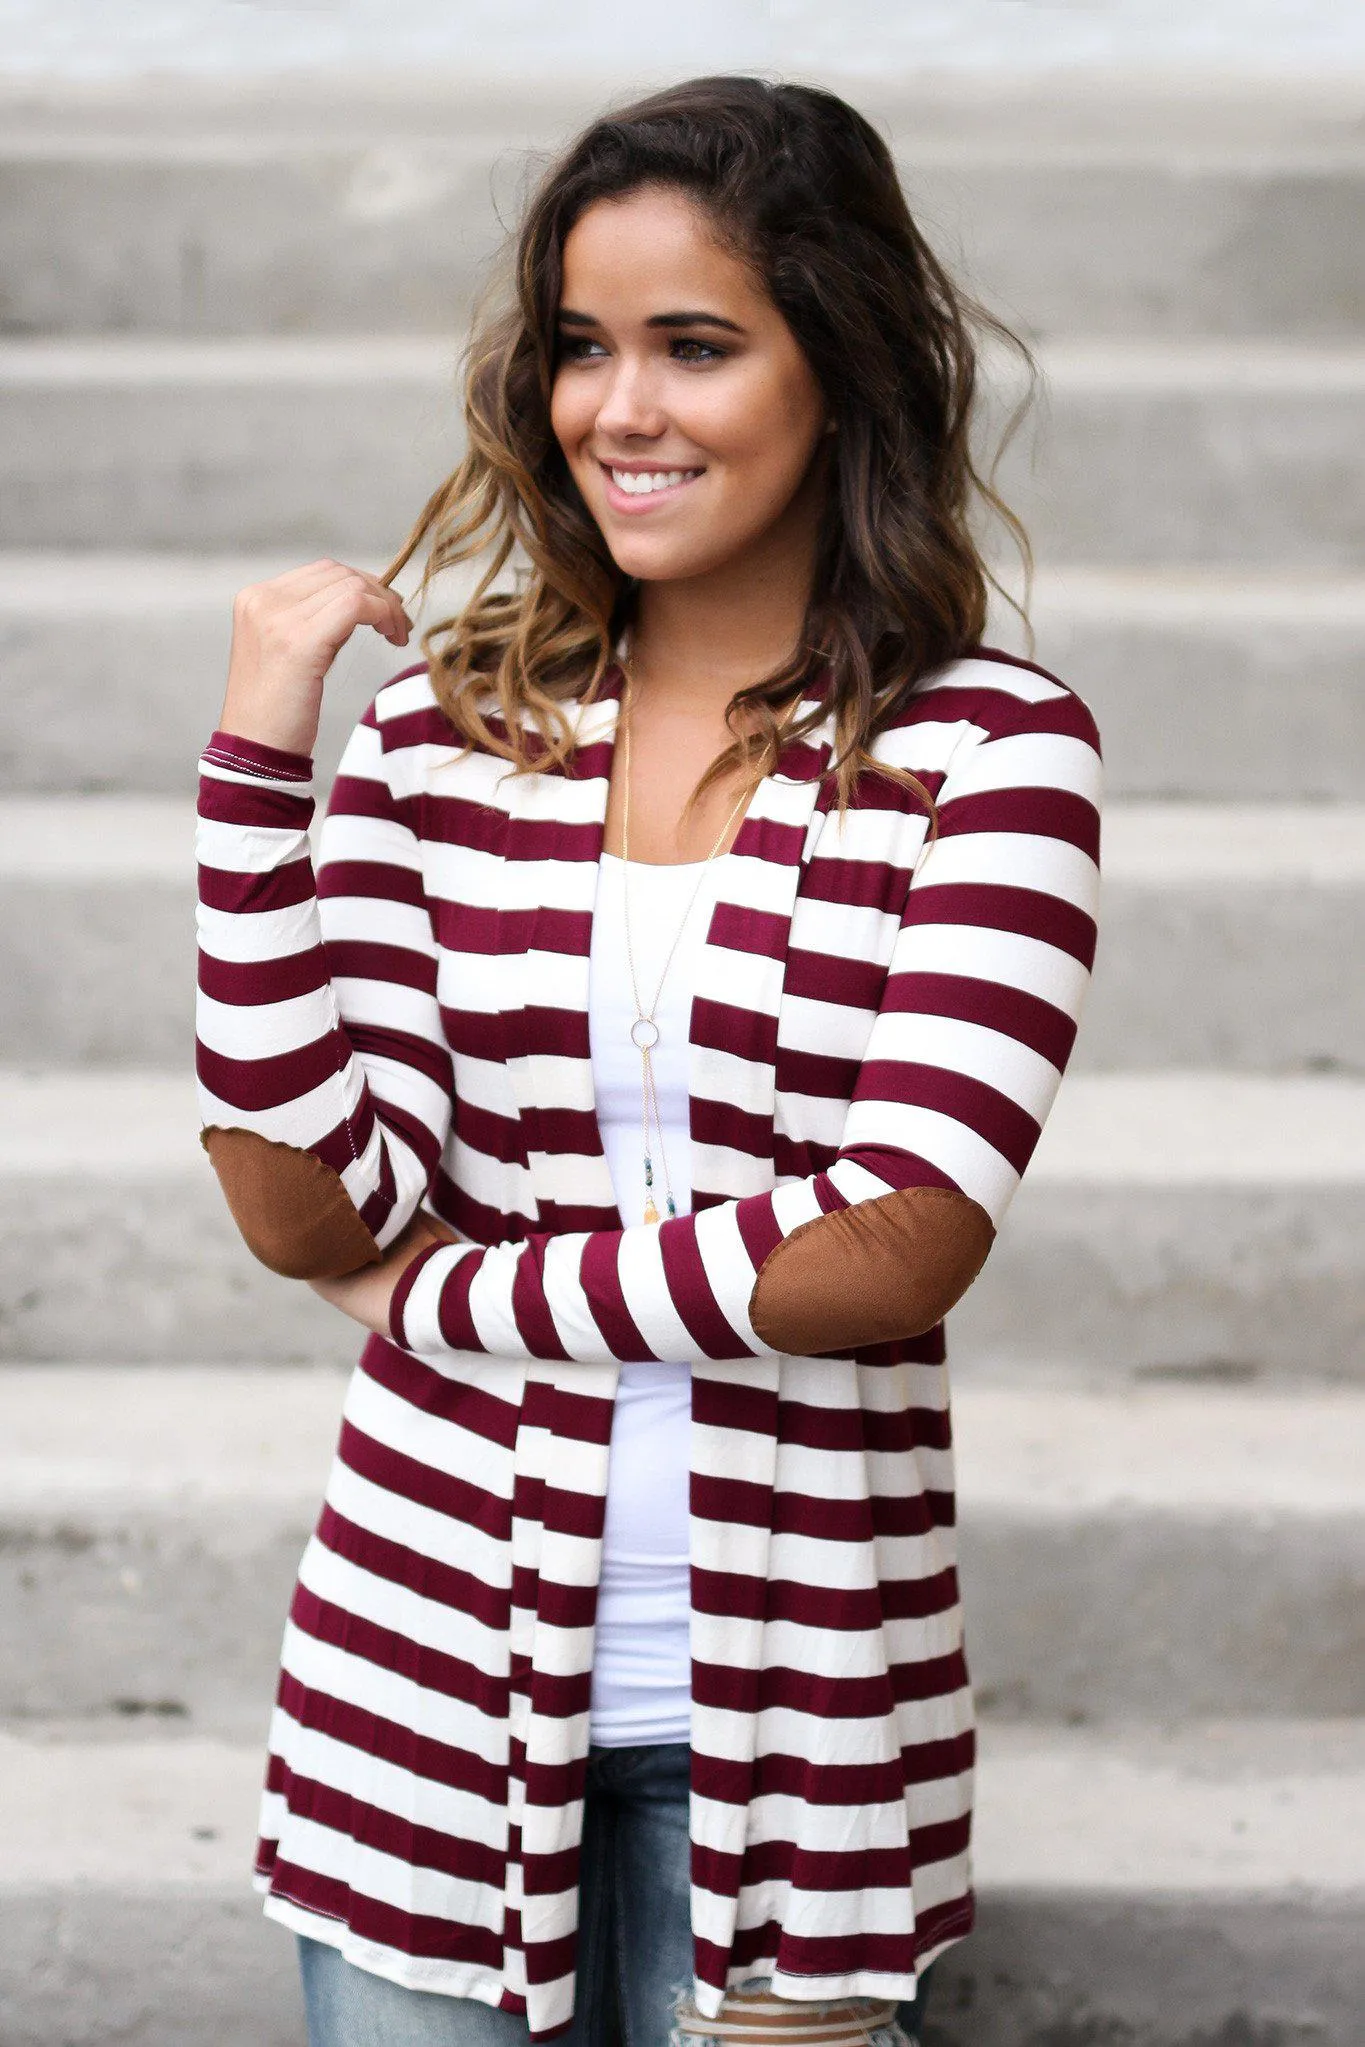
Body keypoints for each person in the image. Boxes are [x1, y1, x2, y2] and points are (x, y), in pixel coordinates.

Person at [194, 73, 1102, 2047]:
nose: (621, 410)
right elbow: (302, 1204)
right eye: (581, 351)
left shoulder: (993, 752)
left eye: (695, 346)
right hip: (413, 1702)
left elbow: (891, 1245)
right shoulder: (444, 738)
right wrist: (259, 770)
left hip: (802, 1735)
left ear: (836, 367)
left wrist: (459, 1290)